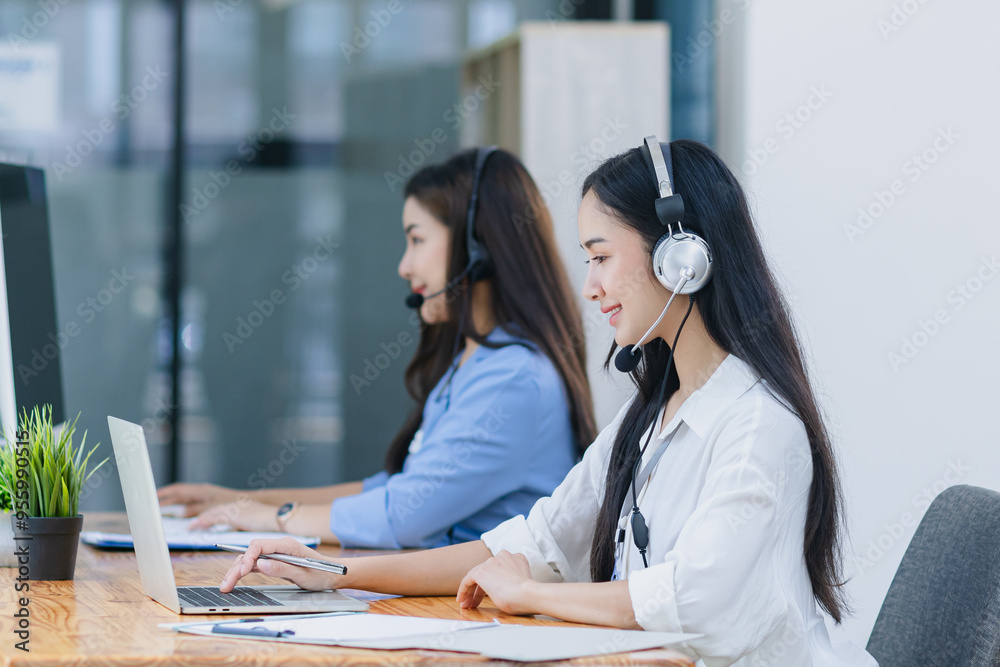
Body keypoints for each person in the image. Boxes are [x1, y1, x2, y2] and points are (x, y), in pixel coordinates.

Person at [214, 138, 876, 666]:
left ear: (681, 260)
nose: (589, 286)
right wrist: (331, 571)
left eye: (600, 257)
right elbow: (531, 542)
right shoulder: (647, 419)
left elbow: (693, 601)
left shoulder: (758, 425)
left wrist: (530, 592)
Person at [157, 147, 597, 549]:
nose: (405, 266)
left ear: (475, 247)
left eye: (417, 240)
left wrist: (273, 517)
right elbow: (393, 488)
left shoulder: (511, 378)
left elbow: (400, 516)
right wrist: (241, 501)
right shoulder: (477, 362)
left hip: (479, 620)